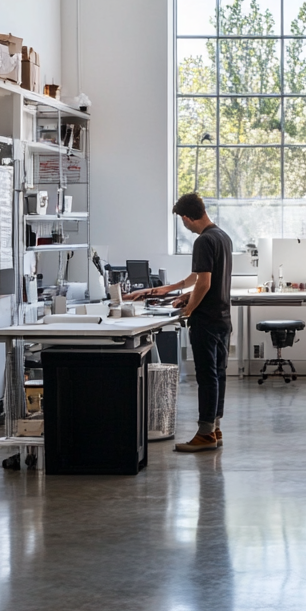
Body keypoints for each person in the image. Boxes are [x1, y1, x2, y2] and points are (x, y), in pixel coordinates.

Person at [128, 193, 233, 453]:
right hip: (222, 319)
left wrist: (188, 309)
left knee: (207, 377)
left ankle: (204, 434)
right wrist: (172, 289)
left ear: (186, 218)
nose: (183, 225)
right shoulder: (222, 236)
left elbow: (205, 283)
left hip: (206, 321)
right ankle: (215, 429)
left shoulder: (203, 241)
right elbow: (198, 277)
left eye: (182, 220)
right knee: (218, 375)